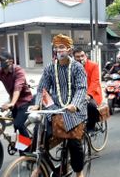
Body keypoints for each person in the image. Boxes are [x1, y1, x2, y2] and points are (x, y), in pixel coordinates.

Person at [31, 34, 87, 177]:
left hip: (74, 109)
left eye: (61, 47)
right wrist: (37, 104)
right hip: (54, 108)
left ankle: (79, 172)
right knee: (39, 132)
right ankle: (39, 164)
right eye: (56, 47)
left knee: (74, 142)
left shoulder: (77, 67)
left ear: (69, 49)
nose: (58, 50)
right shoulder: (50, 68)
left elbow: (81, 88)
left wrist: (74, 104)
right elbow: (42, 89)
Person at [73, 47, 102, 131]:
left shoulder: (93, 65)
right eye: (77, 57)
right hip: (76, 93)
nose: (80, 58)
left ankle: (91, 127)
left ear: (86, 55)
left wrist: (88, 94)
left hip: (92, 93)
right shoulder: (71, 67)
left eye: (82, 56)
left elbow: (95, 81)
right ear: (74, 58)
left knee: (90, 105)